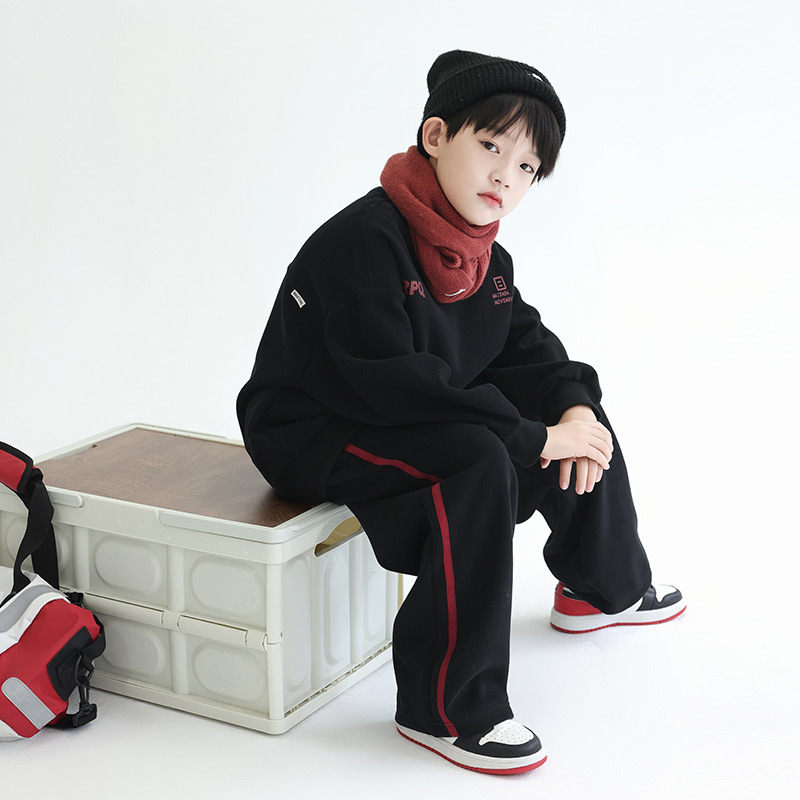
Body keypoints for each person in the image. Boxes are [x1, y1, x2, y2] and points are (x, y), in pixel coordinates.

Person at [237, 49, 685, 775]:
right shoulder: (366, 240)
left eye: (528, 166)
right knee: (478, 458)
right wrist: (531, 438)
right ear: (437, 136)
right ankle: (444, 708)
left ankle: (602, 585)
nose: (507, 176)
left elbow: (529, 349)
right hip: (314, 427)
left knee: (575, 416)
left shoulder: (479, 257)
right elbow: (393, 384)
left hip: (403, 410)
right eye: (491, 146)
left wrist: (573, 412)